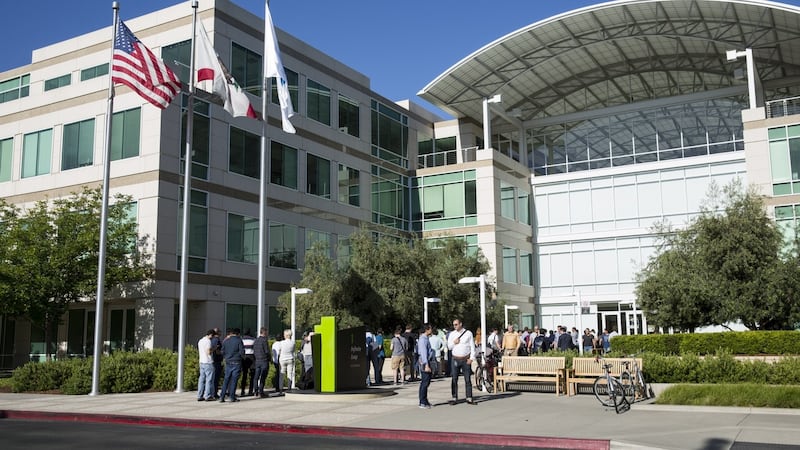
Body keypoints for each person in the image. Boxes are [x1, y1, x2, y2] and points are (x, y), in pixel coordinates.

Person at [447, 318, 476, 405]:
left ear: (460, 324)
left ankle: (469, 397)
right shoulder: (452, 334)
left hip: (465, 358)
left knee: (467, 379)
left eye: (456, 324)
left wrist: (471, 358)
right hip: (455, 358)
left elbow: (472, 346)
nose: (455, 326)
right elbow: (449, 347)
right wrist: (454, 342)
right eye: (453, 325)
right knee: (454, 378)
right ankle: (454, 397)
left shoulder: (468, 333)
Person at [219, 328, 244, 403]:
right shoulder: (239, 340)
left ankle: (222, 396)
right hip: (236, 362)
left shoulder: (226, 341)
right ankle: (232, 396)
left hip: (228, 362)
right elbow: (242, 352)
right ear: (238, 334)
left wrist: (226, 357)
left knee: (226, 380)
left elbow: (222, 351)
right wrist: (240, 357)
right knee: (234, 380)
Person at [417, 323, 434, 409]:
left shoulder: (426, 338)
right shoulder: (423, 339)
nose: (431, 330)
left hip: (426, 361)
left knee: (427, 381)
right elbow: (423, 352)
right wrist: (426, 364)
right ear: (427, 329)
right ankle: (422, 401)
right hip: (424, 362)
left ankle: (425, 400)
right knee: (425, 382)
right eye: (430, 328)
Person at [196, 329, 215, 402]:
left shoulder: (200, 341)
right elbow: (208, 352)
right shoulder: (208, 341)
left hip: (201, 361)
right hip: (208, 362)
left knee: (201, 379)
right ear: (211, 335)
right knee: (209, 379)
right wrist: (214, 349)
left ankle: (199, 395)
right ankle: (208, 395)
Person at [253, 327, 270, 397]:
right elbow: (267, 351)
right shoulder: (264, 341)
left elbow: (254, 350)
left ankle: (255, 391)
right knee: (263, 377)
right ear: (265, 332)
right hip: (264, 360)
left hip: (257, 360)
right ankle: (261, 391)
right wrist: (269, 358)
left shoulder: (256, 340)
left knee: (256, 377)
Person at [240, 328, 255, 397]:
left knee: (244, 374)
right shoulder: (253, 340)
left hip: (244, 357)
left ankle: (242, 390)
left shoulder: (241, 340)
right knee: (252, 374)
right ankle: (250, 390)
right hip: (251, 357)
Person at [210, 328, 223, 399]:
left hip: (213, 361)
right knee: (216, 378)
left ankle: (213, 392)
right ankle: (214, 393)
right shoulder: (217, 340)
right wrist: (222, 353)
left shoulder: (211, 340)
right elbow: (217, 351)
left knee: (213, 378)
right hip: (217, 361)